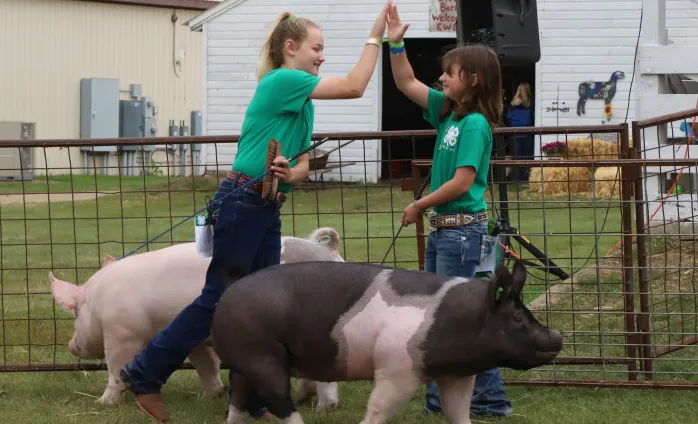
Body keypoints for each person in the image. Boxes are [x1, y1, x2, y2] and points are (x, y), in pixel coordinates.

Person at [118, 5, 391, 422]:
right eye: (317, 48)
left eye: (324, 50)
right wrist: (377, 36)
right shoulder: (283, 80)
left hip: (265, 205)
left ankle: (254, 399)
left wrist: (289, 171)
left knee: (263, 308)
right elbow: (356, 87)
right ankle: (144, 373)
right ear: (290, 48)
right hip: (242, 202)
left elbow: (300, 164)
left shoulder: (302, 101)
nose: (322, 56)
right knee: (220, 300)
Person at [388, 3, 513, 419]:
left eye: (449, 72)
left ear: (472, 80)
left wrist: (419, 204)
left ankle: (485, 401)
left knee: (457, 318)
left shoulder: (475, 124)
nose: (440, 77)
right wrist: (395, 41)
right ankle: (458, 401)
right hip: (450, 233)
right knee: (450, 316)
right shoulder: (448, 112)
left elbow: (462, 182)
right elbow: (405, 81)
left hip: (462, 233)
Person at [506, 82, 534, 182]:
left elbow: (508, 119)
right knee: (527, 158)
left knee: (516, 158)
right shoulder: (530, 104)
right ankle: (526, 179)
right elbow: (533, 119)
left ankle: (516, 179)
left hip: (515, 134)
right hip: (527, 134)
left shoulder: (512, 105)